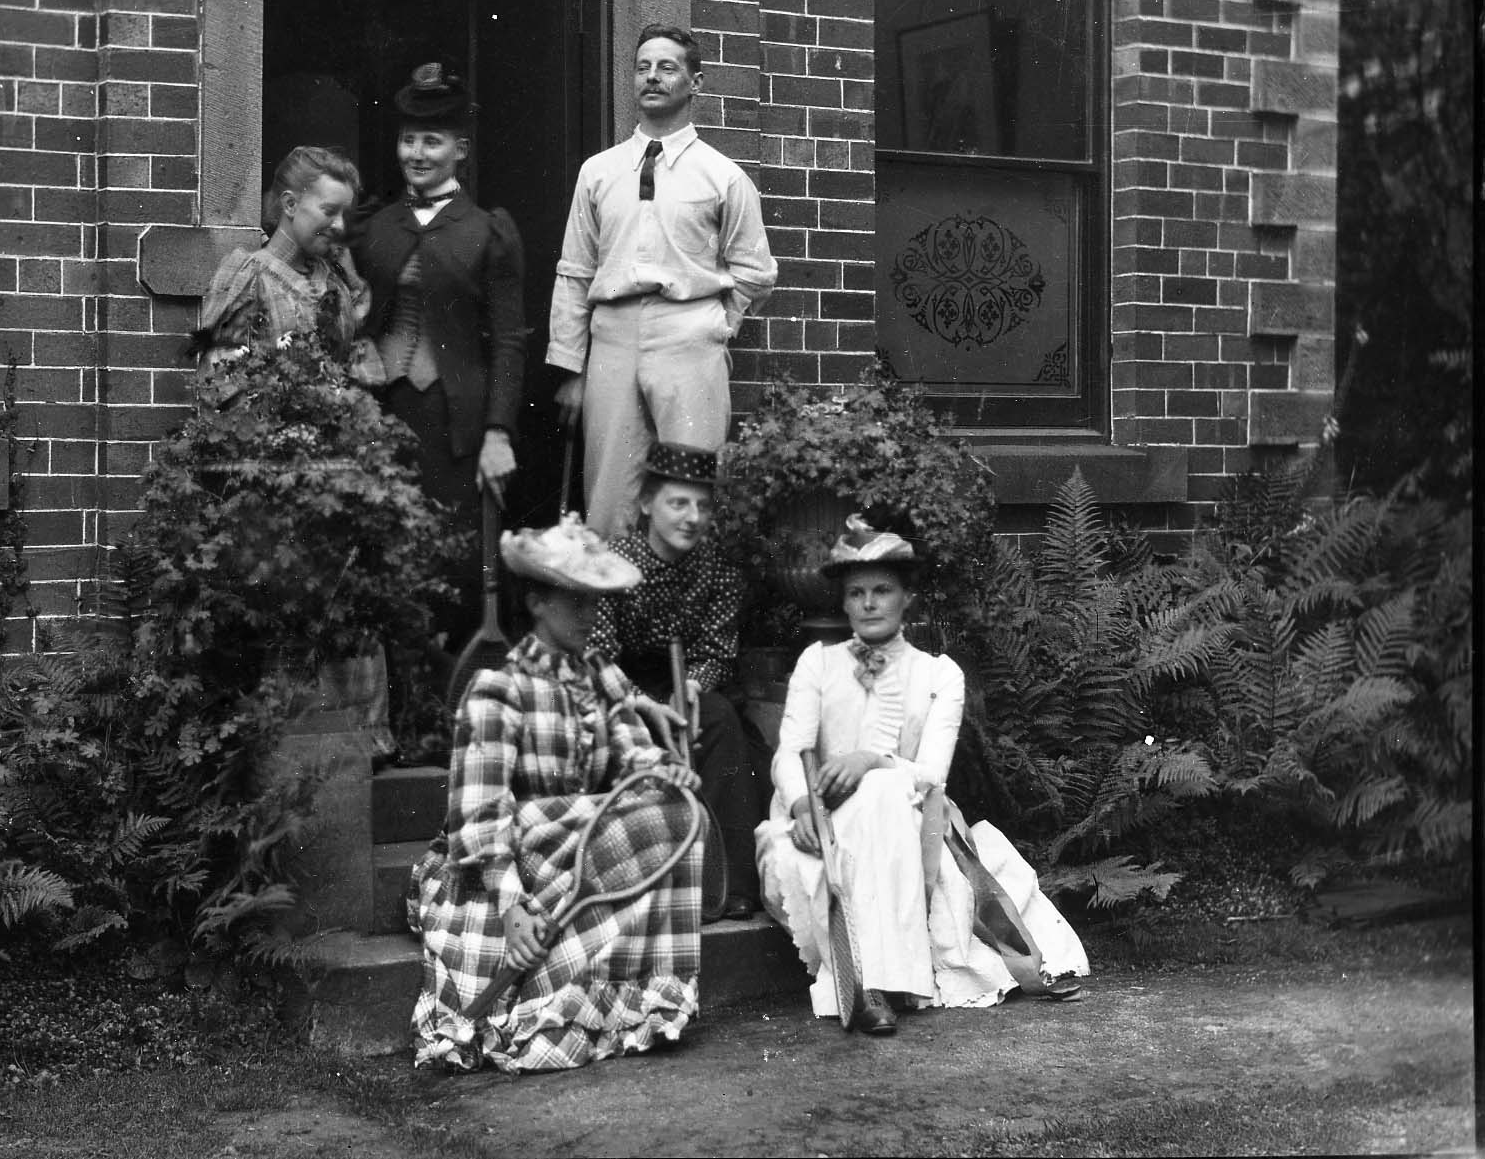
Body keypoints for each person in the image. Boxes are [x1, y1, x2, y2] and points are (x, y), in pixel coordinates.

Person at [756, 516, 1089, 1035]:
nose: (869, 603)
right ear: (843, 603)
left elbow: (931, 773)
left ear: (907, 597)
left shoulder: (938, 675)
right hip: (826, 822)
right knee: (869, 800)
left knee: (887, 788)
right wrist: (800, 805)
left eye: (883, 590)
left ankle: (876, 984)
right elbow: (790, 752)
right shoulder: (818, 665)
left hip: (916, 824)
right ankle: (871, 977)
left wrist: (872, 759)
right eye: (856, 592)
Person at [406, 515, 704, 1073]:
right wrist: (511, 906)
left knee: (673, 813)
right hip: (508, 856)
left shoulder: (598, 673)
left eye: (596, 602)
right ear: (538, 603)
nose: (591, 615)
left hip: (575, 839)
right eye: (576, 601)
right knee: (602, 820)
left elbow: (633, 747)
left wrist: (665, 772)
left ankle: (610, 991)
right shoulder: (499, 688)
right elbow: (481, 806)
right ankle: (545, 999)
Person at [547, 23, 777, 539]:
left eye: (668, 67)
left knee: (692, 488)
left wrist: (716, 323)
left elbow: (756, 271)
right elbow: (575, 269)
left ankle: (688, 614)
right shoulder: (598, 173)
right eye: (643, 67)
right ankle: (610, 615)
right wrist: (570, 364)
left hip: (689, 336)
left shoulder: (723, 176)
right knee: (607, 495)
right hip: (613, 337)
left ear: (696, 82)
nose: (652, 77)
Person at [351, 64, 526, 638]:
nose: (417, 153)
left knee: (451, 560)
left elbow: (507, 340)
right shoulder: (375, 226)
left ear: (460, 149)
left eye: (432, 140)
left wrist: (499, 431)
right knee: (380, 550)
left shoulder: (487, 229)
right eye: (408, 139)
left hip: (455, 424)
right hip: (381, 412)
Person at [588, 441, 768, 922]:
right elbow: (599, 656)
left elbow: (716, 651)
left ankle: (730, 884)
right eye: (678, 502)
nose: (692, 517)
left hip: (688, 686)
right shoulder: (613, 565)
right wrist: (644, 703)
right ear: (647, 504)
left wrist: (691, 684)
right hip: (623, 692)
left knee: (722, 724)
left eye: (703, 506)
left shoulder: (718, 573)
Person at [192, 145, 379, 408]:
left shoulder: (334, 281)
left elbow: (352, 370)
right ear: (290, 204)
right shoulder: (251, 276)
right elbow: (217, 382)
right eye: (329, 211)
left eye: (344, 215)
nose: (340, 226)